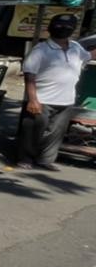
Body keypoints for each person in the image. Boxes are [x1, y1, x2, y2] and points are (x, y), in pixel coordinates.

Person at [16, 12, 92, 169]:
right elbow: (29, 76)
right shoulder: (41, 50)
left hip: (66, 100)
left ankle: (46, 160)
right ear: (50, 28)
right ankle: (26, 158)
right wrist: (32, 100)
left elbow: (88, 56)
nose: (63, 28)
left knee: (56, 133)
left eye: (68, 26)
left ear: (73, 30)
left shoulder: (75, 47)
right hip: (41, 99)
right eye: (59, 25)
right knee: (33, 131)